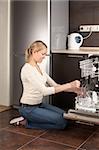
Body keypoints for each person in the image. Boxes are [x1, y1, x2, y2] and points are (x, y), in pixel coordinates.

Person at [10, 40, 83, 129]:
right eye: (43, 54)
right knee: (61, 123)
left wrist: (74, 90)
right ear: (34, 52)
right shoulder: (27, 69)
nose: (44, 57)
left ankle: (33, 119)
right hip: (28, 108)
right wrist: (70, 85)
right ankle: (26, 122)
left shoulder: (39, 67)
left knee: (65, 116)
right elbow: (44, 91)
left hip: (39, 105)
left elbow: (55, 85)